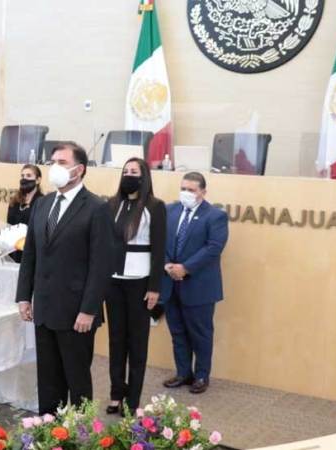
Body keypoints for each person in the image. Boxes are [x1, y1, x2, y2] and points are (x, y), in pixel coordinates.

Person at [15, 141, 114, 415]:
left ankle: (80, 433)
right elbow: (31, 254)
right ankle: (49, 430)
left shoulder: (96, 208)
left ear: (79, 170)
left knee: (77, 379)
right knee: (48, 379)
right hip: (45, 308)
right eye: (52, 162)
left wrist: (88, 310)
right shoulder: (43, 203)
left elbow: (101, 266)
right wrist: (24, 296)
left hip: (76, 313)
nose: (54, 167)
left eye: (61, 162)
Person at [104, 157, 166, 415]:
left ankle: (133, 399)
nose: (128, 175)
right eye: (125, 171)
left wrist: (154, 287)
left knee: (137, 343)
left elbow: (159, 249)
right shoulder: (111, 204)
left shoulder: (155, 206)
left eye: (134, 171)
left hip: (140, 282)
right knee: (116, 340)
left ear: (144, 176)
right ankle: (116, 393)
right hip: (113, 280)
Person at [160, 172, 229, 394]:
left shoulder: (215, 216)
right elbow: (159, 241)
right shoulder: (170, 211)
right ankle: (183, 373)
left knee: (200, 334)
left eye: (191, 190)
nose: (186, 193)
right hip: (171, 283)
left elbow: (214, 247)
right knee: (177, 332)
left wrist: (185, 268)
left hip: (199, 286)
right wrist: (167, 265)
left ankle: (201, 376)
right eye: (183, 189)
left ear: (203, 192)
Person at [6, 164, 43, 263]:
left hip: (32, 252)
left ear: (38, 180)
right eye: (22, 176)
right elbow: (9, 226)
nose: (24, 179)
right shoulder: (14, 201)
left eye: (29, 176)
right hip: (14, 251)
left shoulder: (42, 202)